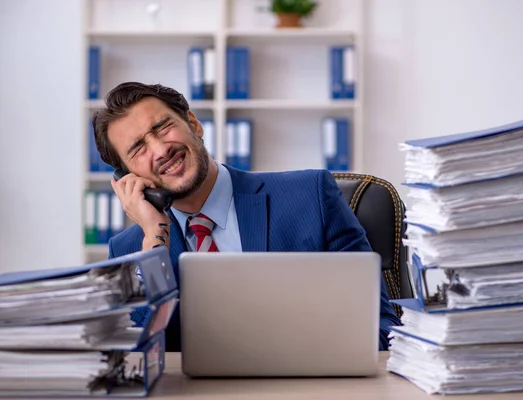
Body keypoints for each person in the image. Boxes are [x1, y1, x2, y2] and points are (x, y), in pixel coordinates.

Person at [93, 81, 401, 352]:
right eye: (138, 148)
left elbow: (380, 328)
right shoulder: (130, 251)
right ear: (126, 176)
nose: (160, 150)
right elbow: (132, 360)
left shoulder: (312, 196)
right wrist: (154, 240)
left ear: (194, 124)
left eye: (162, 128)